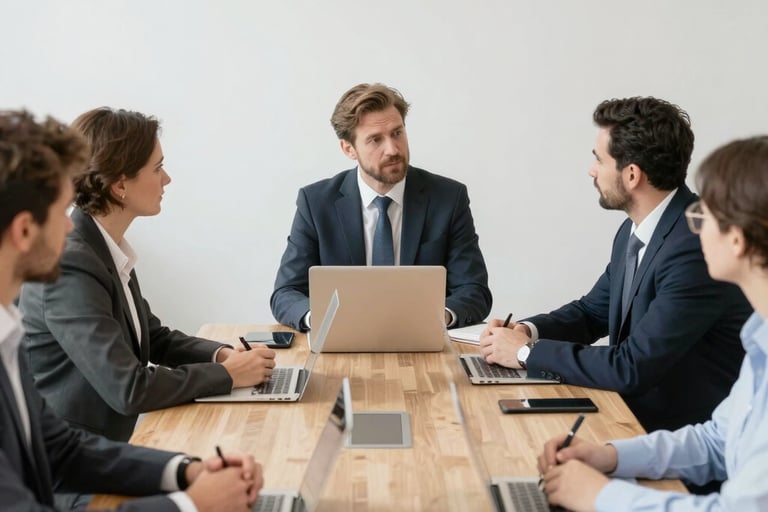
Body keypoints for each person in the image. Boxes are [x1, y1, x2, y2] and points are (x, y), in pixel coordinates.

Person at [0, 109, 262, 511]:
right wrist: (189, 506)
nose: (70, 226)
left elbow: (62, 449)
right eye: (60, 211)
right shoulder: (75, 261)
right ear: (23, 231)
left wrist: (187, 471)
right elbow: (127, 388)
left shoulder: (9, 331)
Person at [480, 97, 751, 433]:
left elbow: (632, 366)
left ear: (632, 174)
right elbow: (593, 312)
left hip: (679, 439)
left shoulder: (695, 246)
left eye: (599, 160)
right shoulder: (635, 230)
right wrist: (526, 331)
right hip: (626, 415)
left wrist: (526, 353)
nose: (591, 170)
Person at [538, 135, 768, 511]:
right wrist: (609, 456)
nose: (694, 226)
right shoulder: (760, 339)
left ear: (738, 240)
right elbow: (715, 441)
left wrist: (599, 495)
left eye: (703, 214)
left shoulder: (684, 251)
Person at [270, 83, 492, 332]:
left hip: (422, 341)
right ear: (349, 149)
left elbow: (474, 291)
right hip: (343, 341)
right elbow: (286, 293)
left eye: (397, 133)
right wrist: (320, 319)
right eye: (375, 139)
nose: (393, 149)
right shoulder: (316, 203)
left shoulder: (448, 198)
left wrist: (439, 316)